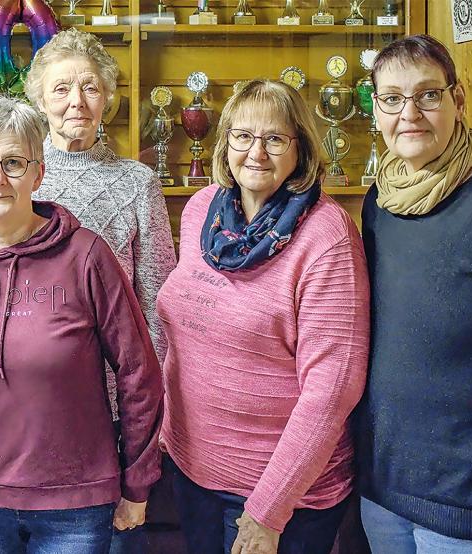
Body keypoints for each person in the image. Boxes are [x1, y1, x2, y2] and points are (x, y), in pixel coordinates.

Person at [0, 97, 164, 554]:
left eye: (13, 163)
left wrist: (138, 480)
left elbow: (139, 375)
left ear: (38, 173)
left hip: (75, 500)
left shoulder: (86, 256)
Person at [156, 79, 370, 554]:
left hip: (276, 499)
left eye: (275, 138)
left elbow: (332, 390)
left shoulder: (325, 235)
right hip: (194, 473)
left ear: (301, 149)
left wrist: (267, 512)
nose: (257, 151)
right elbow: (186, 335)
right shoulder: (200, 213)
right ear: (225, 141)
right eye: (243, 136)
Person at [358, 35, 472, 552]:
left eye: (427, 95)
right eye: (391, 99)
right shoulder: (380, 201)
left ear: (457, 100)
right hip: (385, 493)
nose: (409, 113)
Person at [25, 28, 175, 364]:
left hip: (117, 379)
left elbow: (157, 297)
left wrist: (149, 386)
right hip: (35, 375)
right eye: (61, 89)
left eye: (90, 87)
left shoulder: (139, 182)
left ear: (106, 97)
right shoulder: (21, 176)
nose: (77, 100)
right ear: (41, 101)